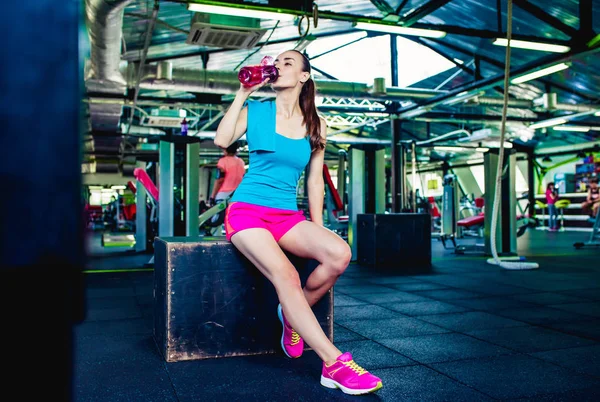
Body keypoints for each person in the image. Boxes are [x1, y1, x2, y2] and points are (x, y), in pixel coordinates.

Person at [214, 50, 383, 395]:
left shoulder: (316, 123)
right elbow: (222, 140)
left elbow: (315, 181)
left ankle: (292, 316)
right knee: (287, 275)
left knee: (339, 255)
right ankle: (334, 363)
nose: (278, 66)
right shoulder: (256, 110)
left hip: (287, 214)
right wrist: (243, 92)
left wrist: (318, 226)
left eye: (288, 62)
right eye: (275, 63)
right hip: (247, 211)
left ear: (305, 76)